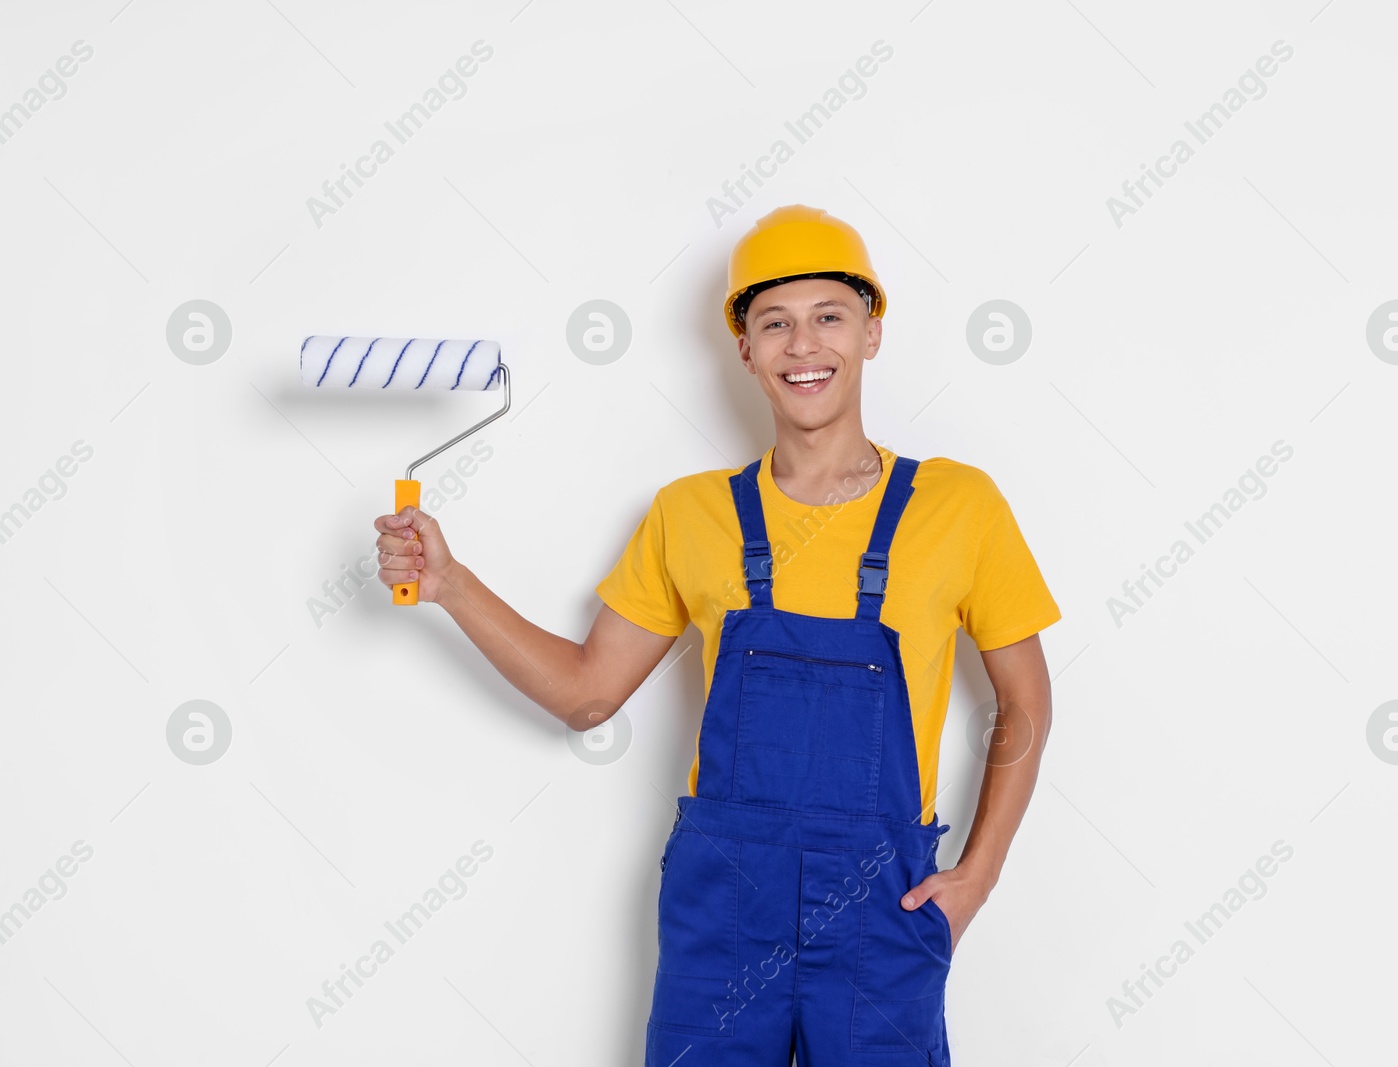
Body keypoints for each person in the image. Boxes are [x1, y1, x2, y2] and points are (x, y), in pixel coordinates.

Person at [371, 204, 1060, 1065]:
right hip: (725, 914)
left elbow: (1024, 697)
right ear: (745, 348)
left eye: (829, 317)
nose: (803, 346)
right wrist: (449, 584)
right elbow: (588, 694)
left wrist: (978, 876)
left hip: (883, 914)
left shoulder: (959, 506)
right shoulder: (689, 514)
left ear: (873, 332)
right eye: (774, 323)